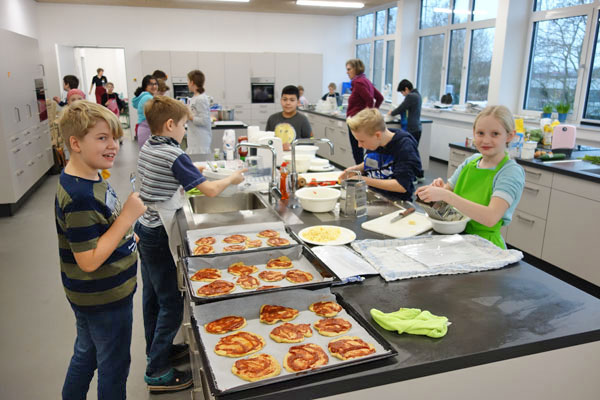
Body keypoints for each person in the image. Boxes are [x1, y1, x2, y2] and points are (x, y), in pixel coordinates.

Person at [135, 95, 246, 393]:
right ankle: (157, 370)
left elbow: (187, 173)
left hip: (144, 227)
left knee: (153, 298)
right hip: (159, 233)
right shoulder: (174, 155)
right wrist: (232, 179)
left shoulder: (150, 145)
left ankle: (156, 350)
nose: (186, 129)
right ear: (170, 124)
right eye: (184, 125)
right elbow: (208, 190)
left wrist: (209, 173)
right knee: (171, 302)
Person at [55, 100, 147, 400]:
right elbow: (89, 260)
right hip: (104, 297)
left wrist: (124, 237)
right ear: (75, 143)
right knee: (114, 365)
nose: (113, 146)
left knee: (88, 353)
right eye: (102, 138)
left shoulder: (91, 176)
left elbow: (100, 233)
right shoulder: (80, 196)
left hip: (93, 296)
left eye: (116, 138)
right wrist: (127, 218)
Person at [416, 105, 525, 248]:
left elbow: (490, 217)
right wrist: (439, 190)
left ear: (509, 136)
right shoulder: (471, 161)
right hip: (457, 237)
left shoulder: (510, 172)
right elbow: (448, 192)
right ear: (473, 133)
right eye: (480, 133)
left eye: (495, 134)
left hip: (485, 246)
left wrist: (446, 195)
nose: (486, 140)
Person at [339, 108, 421, 201]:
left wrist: (363, 179)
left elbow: (401, 186)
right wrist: (358, 168)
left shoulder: (405, 147)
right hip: (375, 196)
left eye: (362, 141)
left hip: (396, 202)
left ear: (377, 135)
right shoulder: (376, 142)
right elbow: (373, 161)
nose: (359, 145)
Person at [345, 59, 384, 165]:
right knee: (365, 150)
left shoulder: (358, 82)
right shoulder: (365, 80)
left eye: (349, 69)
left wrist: (368, 116)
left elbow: (370, 100)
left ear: (356, 69)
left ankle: (361, 175)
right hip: (360, 121)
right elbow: (379, 98)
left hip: (357, 122)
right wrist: (373, 113)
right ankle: (365, 173)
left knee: (357, 151)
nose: (347, 72)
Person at [388, 79, 425, 182]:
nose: (403, 95)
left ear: (406, 89)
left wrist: (391, 113)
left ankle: (413, 176)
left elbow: (401, 108)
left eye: (402, 92)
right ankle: (419, 174)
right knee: (414, 152)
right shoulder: (418, 95)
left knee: (410, 153)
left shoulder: (411, 96)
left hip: (412, 128)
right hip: (417, 127)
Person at [266, 85, 312, 151]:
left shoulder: (303, 120)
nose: (288, 103)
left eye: (292, 100)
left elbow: (310, 143)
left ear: (298, 102)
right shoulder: (272, 118)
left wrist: (292, 146)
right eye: (285, 99)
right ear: (280, 100)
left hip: (296, 157)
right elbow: (267, 140)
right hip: (276, 156)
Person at [186, 69, 212, 156]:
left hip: (200, 141)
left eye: (188, 81)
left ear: (192, 82)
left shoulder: (201, 99)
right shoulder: (194, 98)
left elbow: (204, 120)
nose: (187, 84)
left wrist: (190, 117)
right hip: (194, 139)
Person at [132, 75, 158, 148]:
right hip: (147, 128)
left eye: (155, 84)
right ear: (145, 86)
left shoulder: (143, 96)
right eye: (150, 84)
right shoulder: (148, 97)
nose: (154, 86)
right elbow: (155, 115)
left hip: (143, 128)